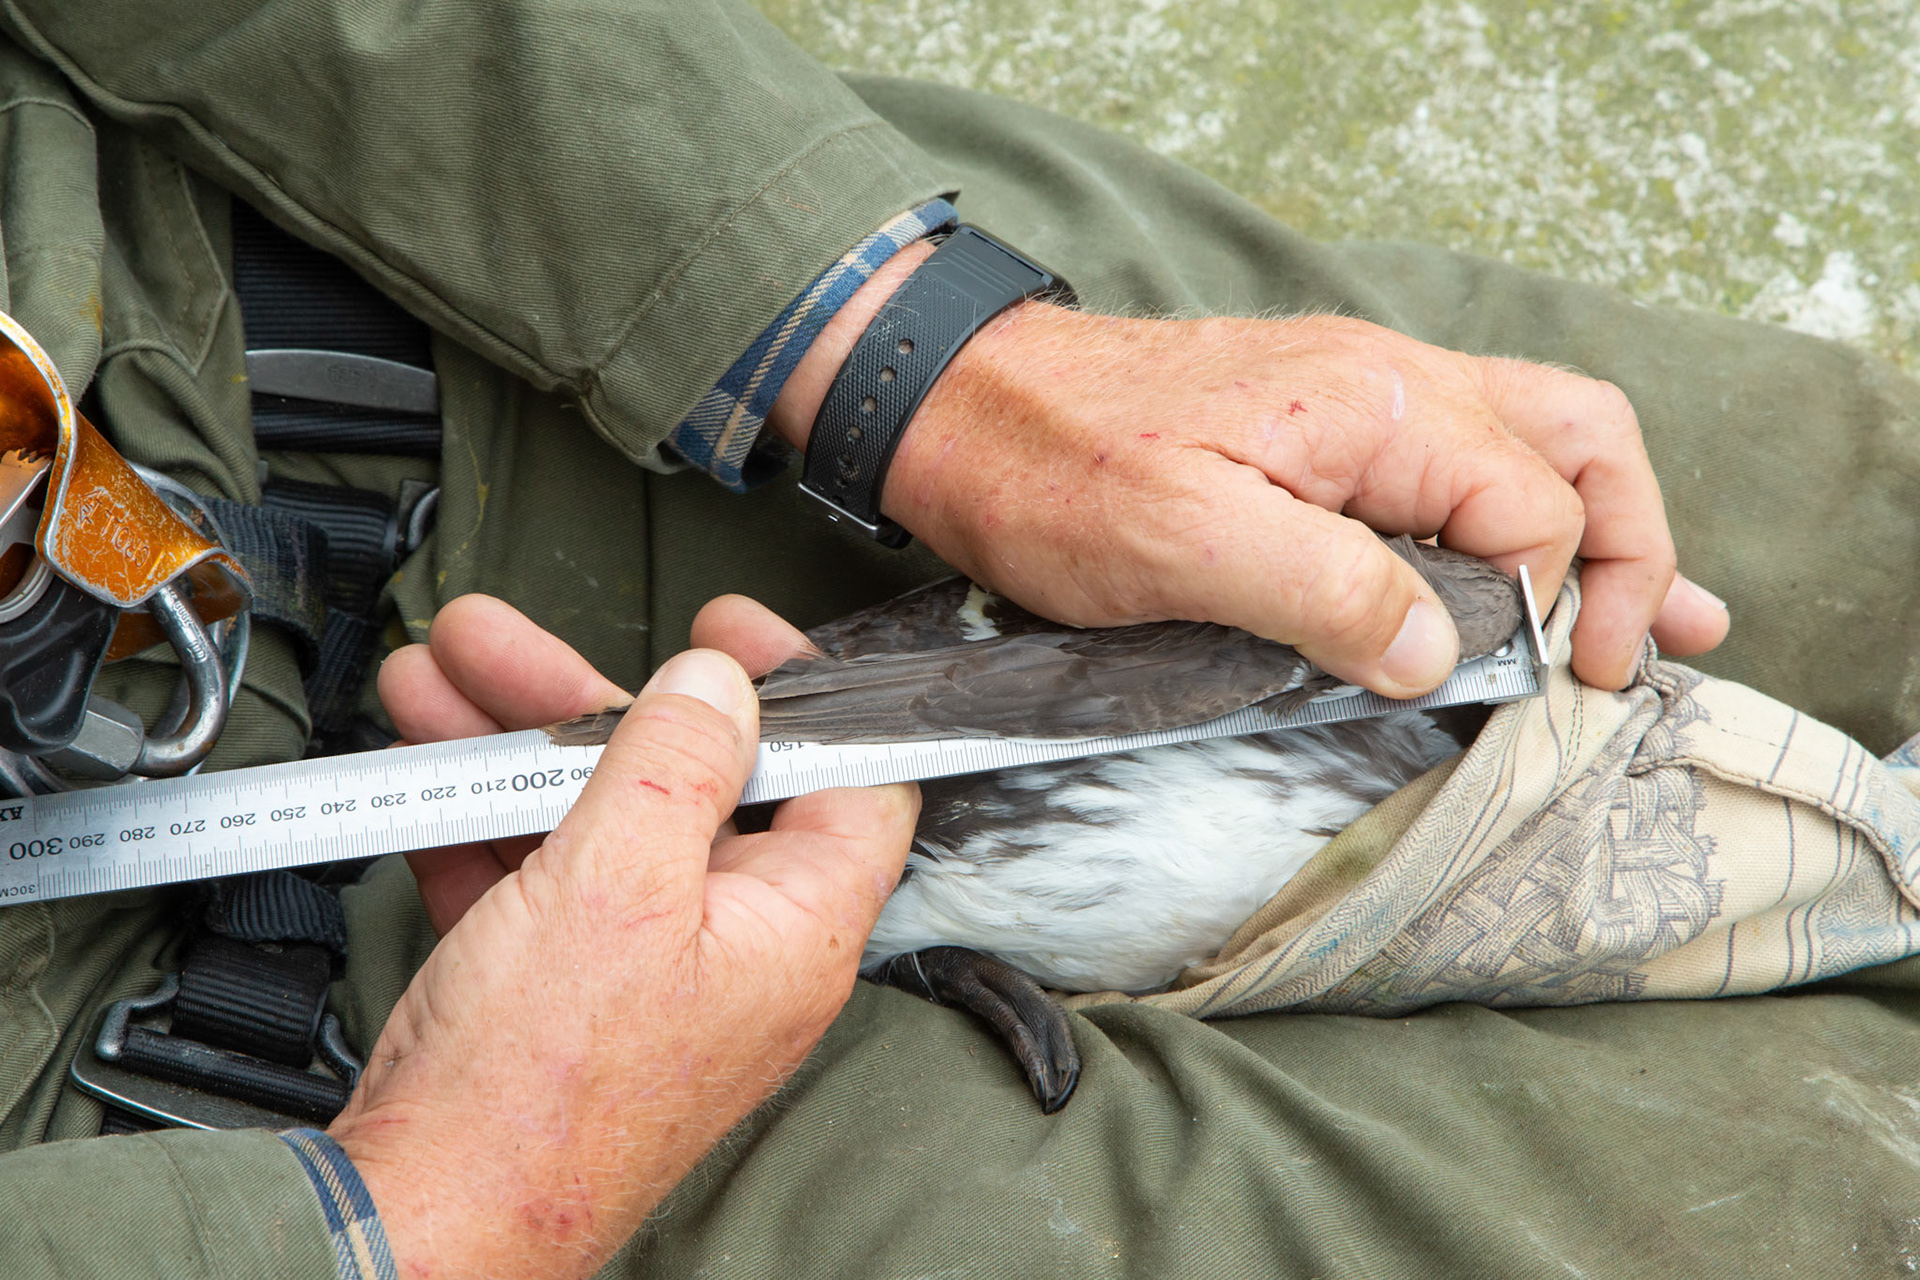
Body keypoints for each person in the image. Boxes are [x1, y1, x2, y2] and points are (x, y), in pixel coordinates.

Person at [2, 2, 1919, 1277]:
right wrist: (404, 1219)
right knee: (1829, 1203)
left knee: (1799, 523)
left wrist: (908, 349)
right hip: (223, 1156)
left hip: (393, 273)